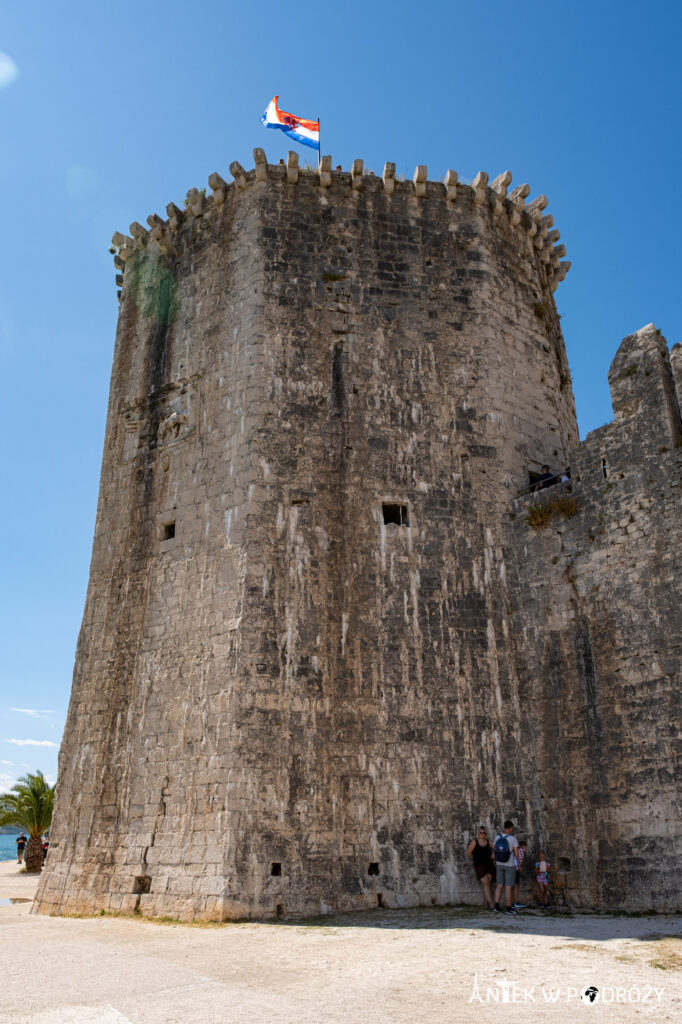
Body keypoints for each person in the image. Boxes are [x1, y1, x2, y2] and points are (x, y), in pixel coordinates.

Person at [493, 820, 519, 914]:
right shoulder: (513, 839)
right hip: (509, 865)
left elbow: (494, 851)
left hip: (499, 864)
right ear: (511, 828)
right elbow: (516, 853)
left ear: (504, 828)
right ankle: (508, 908)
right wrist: (519, 865)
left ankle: (496, 906)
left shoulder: (497, 837)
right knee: (508, 887)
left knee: (499, 885)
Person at [467, 826, 495, 909]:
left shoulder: (488, 842)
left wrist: (493, 854)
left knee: (488, 884)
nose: (482, 834)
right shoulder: (474, 842)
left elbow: (495, 848)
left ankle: (486, 903)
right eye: (480, 832)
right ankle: (491, 905)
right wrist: (475, 859)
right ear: (478, 833)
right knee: (486, 884)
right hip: (479, 866)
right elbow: (469, 853)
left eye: (484, 832)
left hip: (489, 865)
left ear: (486, 834)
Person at [512, 840, 528, 909]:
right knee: (516, 886)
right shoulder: (521, 851)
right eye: (526, 847)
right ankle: (516, 902)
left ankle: (513, 902)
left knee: (514, 886)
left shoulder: (517, 850)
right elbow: (518, 859)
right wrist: (520, 866)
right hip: (516, 869)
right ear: (523, 846)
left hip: (513, 868)